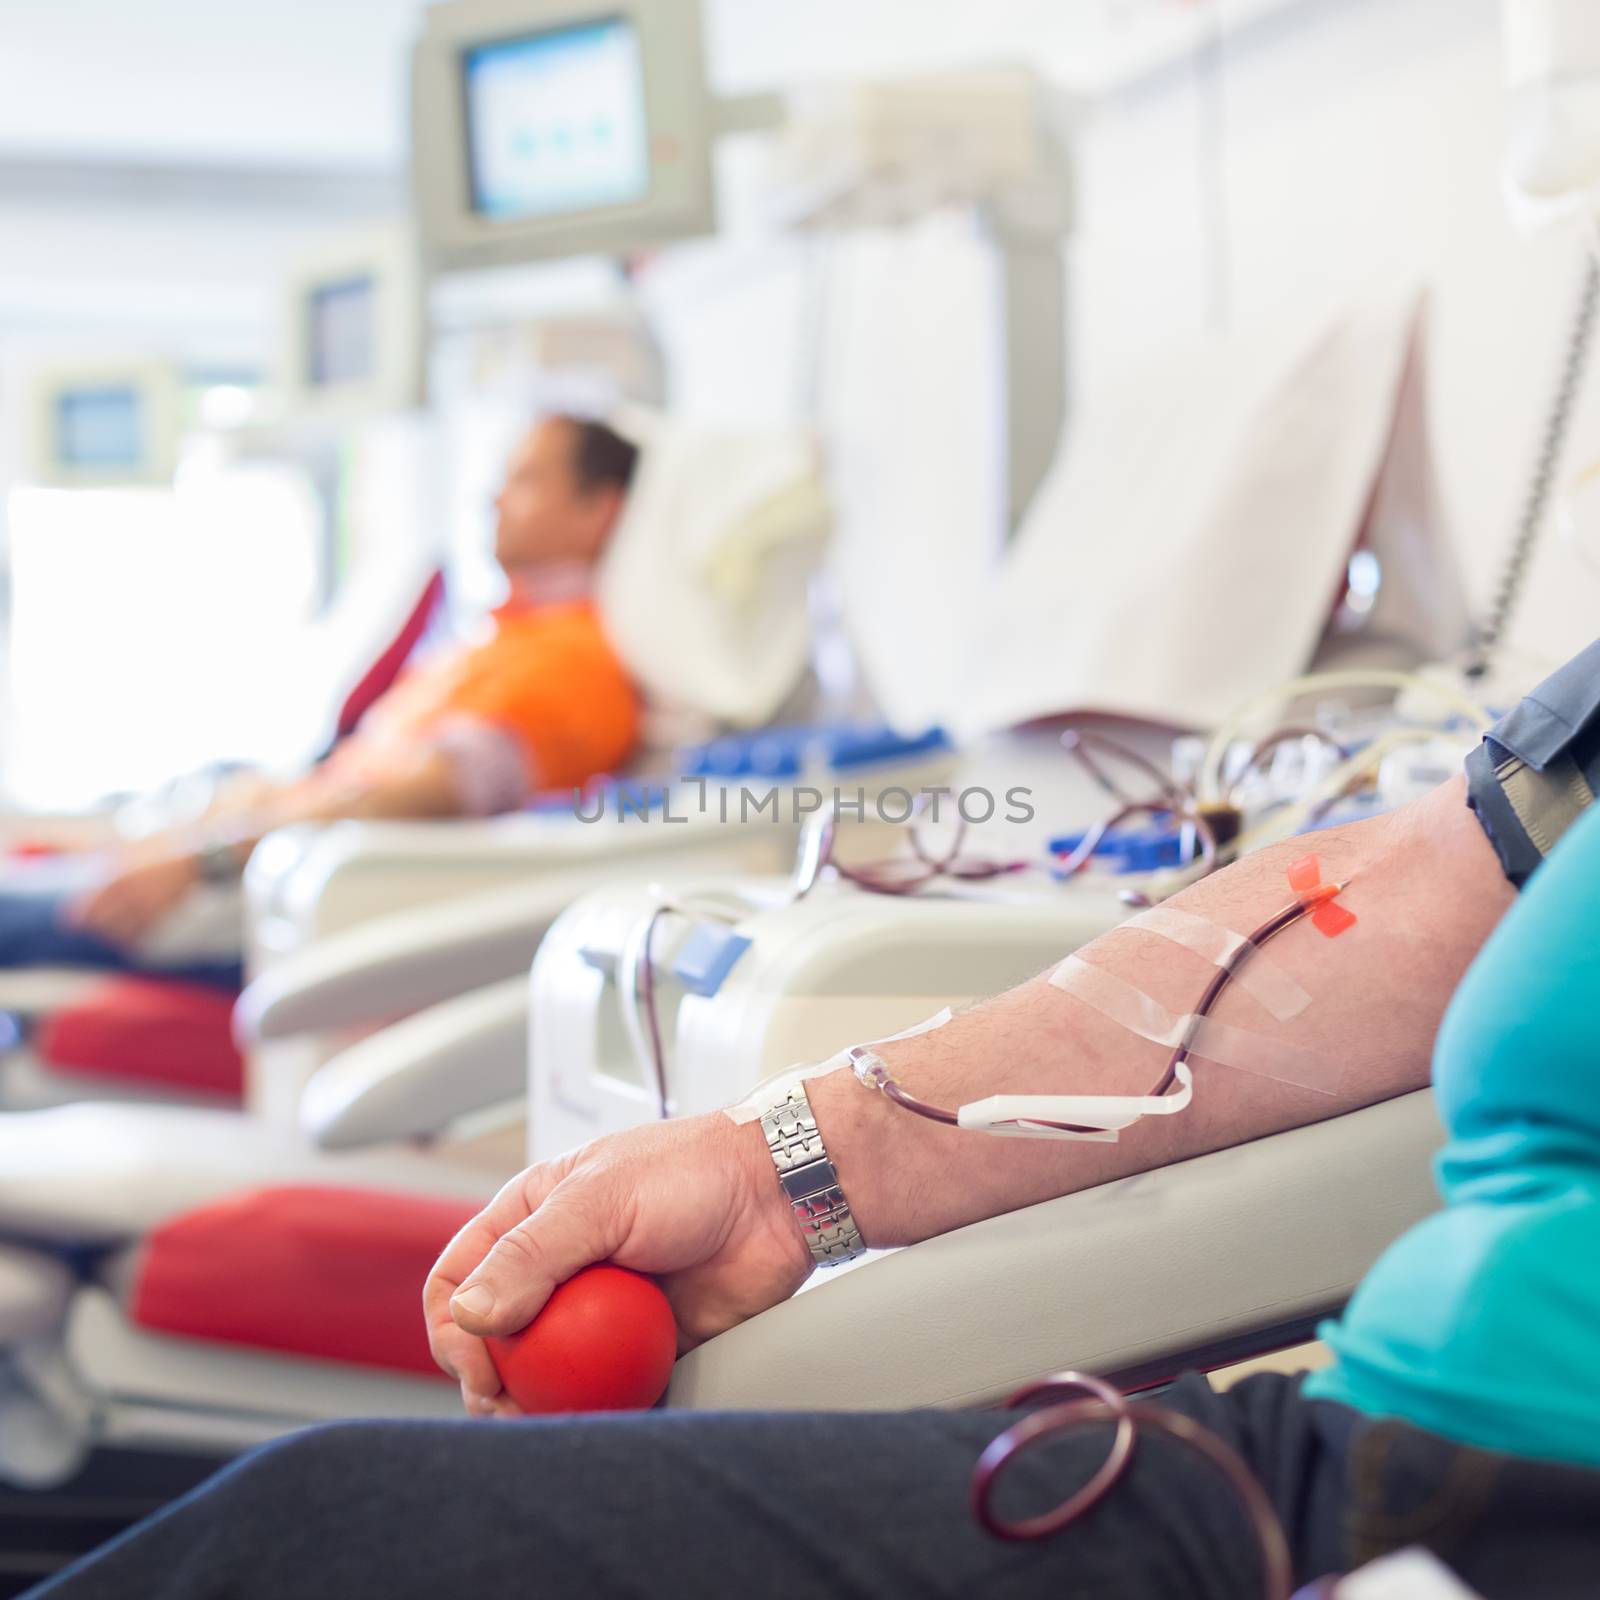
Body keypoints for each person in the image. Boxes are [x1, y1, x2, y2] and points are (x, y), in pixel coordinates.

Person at [21, 648, 1600, 1598]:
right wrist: (779, 1171)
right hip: (1345, 1446)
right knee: (329, 1534)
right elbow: (1418, 890)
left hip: (1514, 1513)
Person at [0, 415, 642, 983]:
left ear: (598, 510)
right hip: (260, 855)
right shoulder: (499, 639)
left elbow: (415, 796)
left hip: (278, 894)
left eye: (527, 480)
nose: (494, 499)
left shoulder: (574, 663)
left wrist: (206, 858)